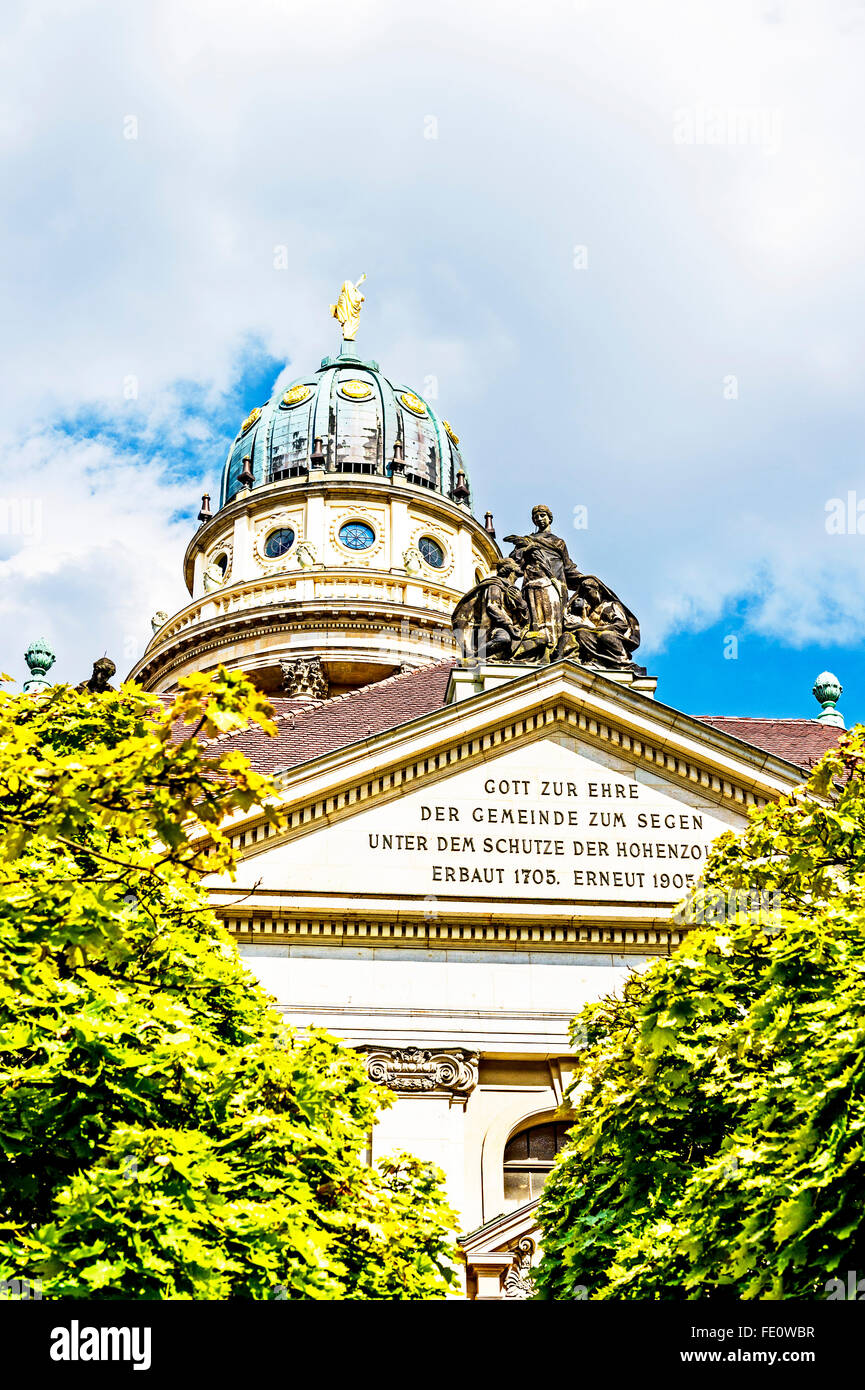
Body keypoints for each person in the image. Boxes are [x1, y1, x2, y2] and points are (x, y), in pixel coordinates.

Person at [452, 558, 529, 660]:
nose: (519, 565)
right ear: (509, 568)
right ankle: (473, 658)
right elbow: (492, 607)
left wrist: (522, 604)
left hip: (516, 629)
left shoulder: (514, 590)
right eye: (515, 564)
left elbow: (523, 618)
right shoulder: (495, 585)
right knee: (503, 639)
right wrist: (509, 625)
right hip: (494, 629)